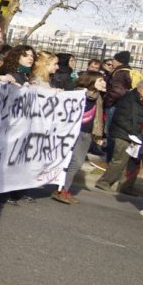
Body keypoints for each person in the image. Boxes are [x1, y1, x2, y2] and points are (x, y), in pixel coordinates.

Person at [55, 71, 106, 205]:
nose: (104, 83)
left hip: (87, 134)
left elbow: (97, 117)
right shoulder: (77, 94)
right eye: (100, 80)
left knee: (76, 163)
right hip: (74, 132)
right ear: (91, 81)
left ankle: (64, 189)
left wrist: (98, 134)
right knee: (75, 162)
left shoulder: (97, 97)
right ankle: (61, 190)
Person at [94, 78, 143, 195]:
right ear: (139, 88)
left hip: (137, 136)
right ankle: (104, 182)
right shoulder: (128, 99)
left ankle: (125, 187)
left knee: (134, 163)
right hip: (123, 134)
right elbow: (121, 118)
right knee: (120, 160)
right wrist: (135, 132)